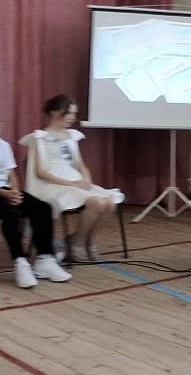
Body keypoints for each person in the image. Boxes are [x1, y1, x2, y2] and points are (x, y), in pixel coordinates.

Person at [0, 105, 66, 288]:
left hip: (6, 191)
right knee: (12, 214)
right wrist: (2, 193)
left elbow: (12, 174)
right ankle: (20, 261)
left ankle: (45, 259)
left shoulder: (3, 145)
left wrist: (15, 191)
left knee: (43, 208)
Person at [21, 95, 122, 262]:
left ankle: (86, 239)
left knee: (110, 203)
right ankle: (78, 244)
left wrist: (87, 182)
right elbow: (40, 172)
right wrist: (71, 183)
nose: (72, 117)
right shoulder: (39, 138)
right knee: (97, 203)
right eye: (68, 113)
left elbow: (81, 166)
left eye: (74, 113)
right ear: (55, 113)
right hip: (52, 184)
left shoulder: (72, 137)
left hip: (75, 182)